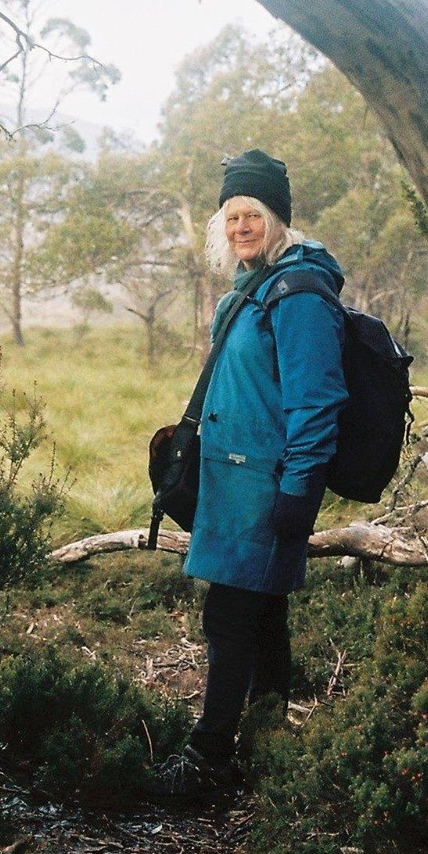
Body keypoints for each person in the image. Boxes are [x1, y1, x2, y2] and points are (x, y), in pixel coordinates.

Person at [147, 149, 348, 797]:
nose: (240, 226)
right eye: (232, 216)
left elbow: (316, 401)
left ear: (277, 218)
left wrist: (298, 494)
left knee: (229, 621)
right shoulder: (253, 287)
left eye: (252, 214)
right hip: (236, 487)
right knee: (261, 624)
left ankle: (208, 762)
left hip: (267, 492)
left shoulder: (299, 293)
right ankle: (265, 758)